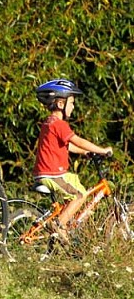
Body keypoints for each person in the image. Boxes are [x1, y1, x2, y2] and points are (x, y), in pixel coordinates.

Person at [33, 79, 112, 237]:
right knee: (80, 195)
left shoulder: (49, 123)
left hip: (49, 172)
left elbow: (67, 146)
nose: (74, 106)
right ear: (61, 104)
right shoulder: (59, 124)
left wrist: (85, 153)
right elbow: (78, 141)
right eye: (72, 102)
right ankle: (59, 226)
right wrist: (102, 150)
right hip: (53, 173)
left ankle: (62, 227)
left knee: (77, 184)